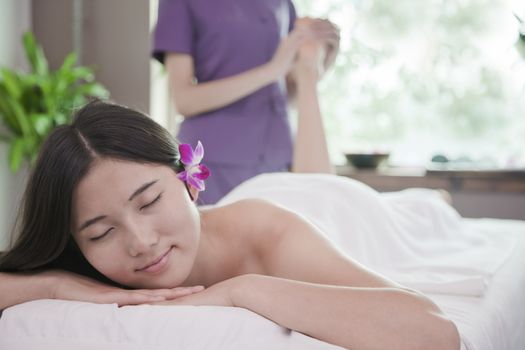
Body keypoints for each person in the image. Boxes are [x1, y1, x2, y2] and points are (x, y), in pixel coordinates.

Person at [0, 45, 460, 350]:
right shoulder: (87, 267)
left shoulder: (264, 233)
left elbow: (433, 331)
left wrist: (243, 290)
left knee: (401, 207)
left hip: (313, 203)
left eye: (148, 202)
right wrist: (59, 286)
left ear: (189, 180)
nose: (140, 241)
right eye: (101, 232)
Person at [153, 0, 340, 204]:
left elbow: (284, 97)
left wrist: (317, 67)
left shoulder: (283, 4)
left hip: (279, 162)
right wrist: (271, 71)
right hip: (217, 168)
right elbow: (184, 100)